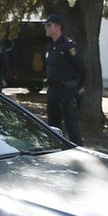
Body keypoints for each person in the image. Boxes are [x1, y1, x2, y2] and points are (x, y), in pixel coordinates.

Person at [43, 13, 86, 145]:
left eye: (49, 25)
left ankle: (78, 152)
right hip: (53, 91)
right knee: (53, 127)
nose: (46, 28)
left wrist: (78, 86)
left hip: (66, 92)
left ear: (58, 27)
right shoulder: (51, 46)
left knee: (71, 126)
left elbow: (82, 69)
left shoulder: (69, 46)